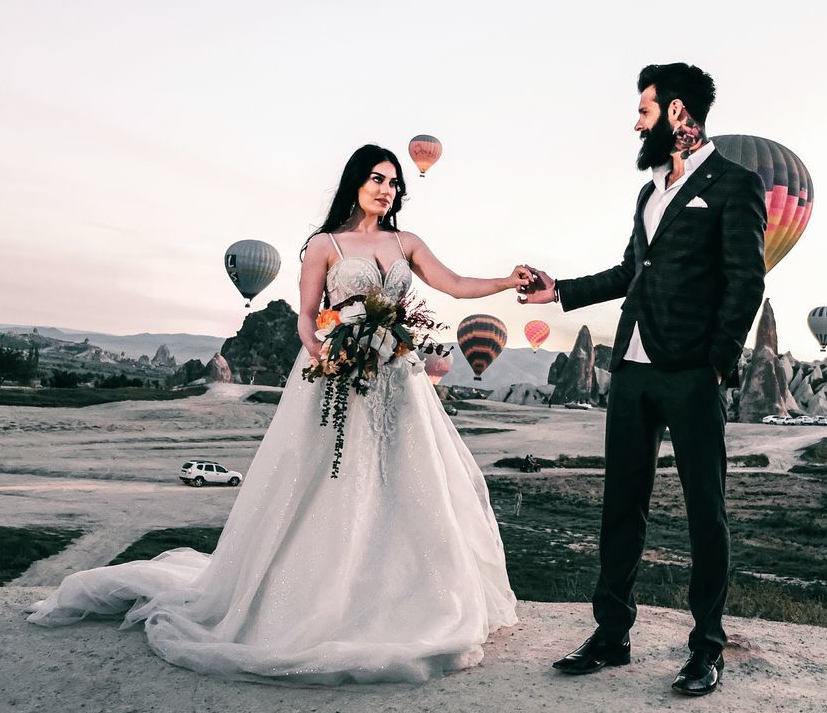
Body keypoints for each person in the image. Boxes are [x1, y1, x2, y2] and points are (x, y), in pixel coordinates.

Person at [27, 144, 524, 685]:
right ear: (356, 182)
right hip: (340, 381)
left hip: (399, 381)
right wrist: (326, 354)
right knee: (335, 481)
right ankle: (320, 602)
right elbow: (308, 321)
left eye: (395, 182)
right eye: (378, 179)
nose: (387, 189)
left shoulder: (408, 243)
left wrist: (505, 280)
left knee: (410, 483)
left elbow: (453, 285)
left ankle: (413, 597)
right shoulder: (324, 245)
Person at [520, 63, 766, 696]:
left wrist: (717, 362)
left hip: (690, 372)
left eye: (645, 111)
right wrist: (561, 292)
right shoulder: (649, 191)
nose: (636, 123)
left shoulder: (736, 185)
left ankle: (706, 648)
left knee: (704, 512)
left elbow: (747, 283)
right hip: (630, 367)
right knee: (620, 508)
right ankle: (611, 636)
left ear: (678, 112)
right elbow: (634, 269)